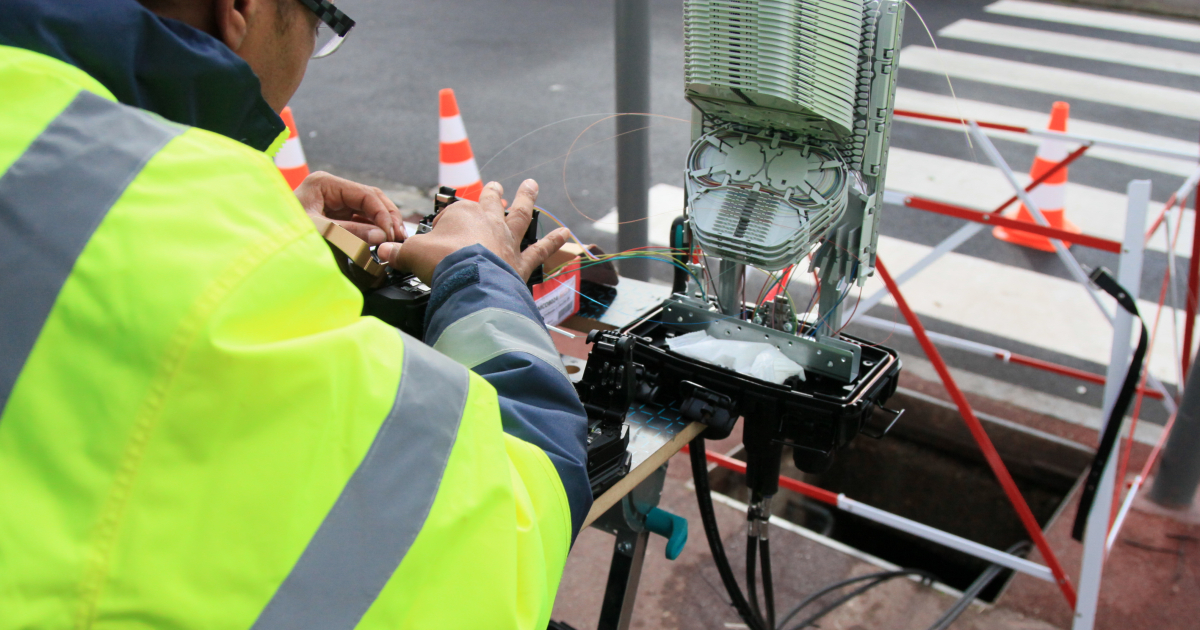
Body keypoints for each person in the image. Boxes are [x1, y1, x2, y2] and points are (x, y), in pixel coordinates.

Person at [0, 0, 591, 628]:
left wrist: (262, 217)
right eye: (322, 23)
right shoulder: (216, 254)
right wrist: (482, 271)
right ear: (240, 8)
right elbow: (512, 530)